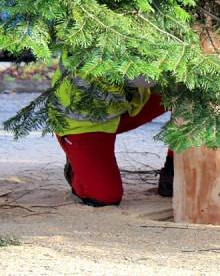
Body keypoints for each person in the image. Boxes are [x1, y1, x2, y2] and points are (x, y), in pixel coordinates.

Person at [50, 59, 174, 206]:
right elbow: (140, 76)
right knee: (105, 197)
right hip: (86, 123)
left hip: (125, 106)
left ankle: (174, 169)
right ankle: (76, 167)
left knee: (192, 92)